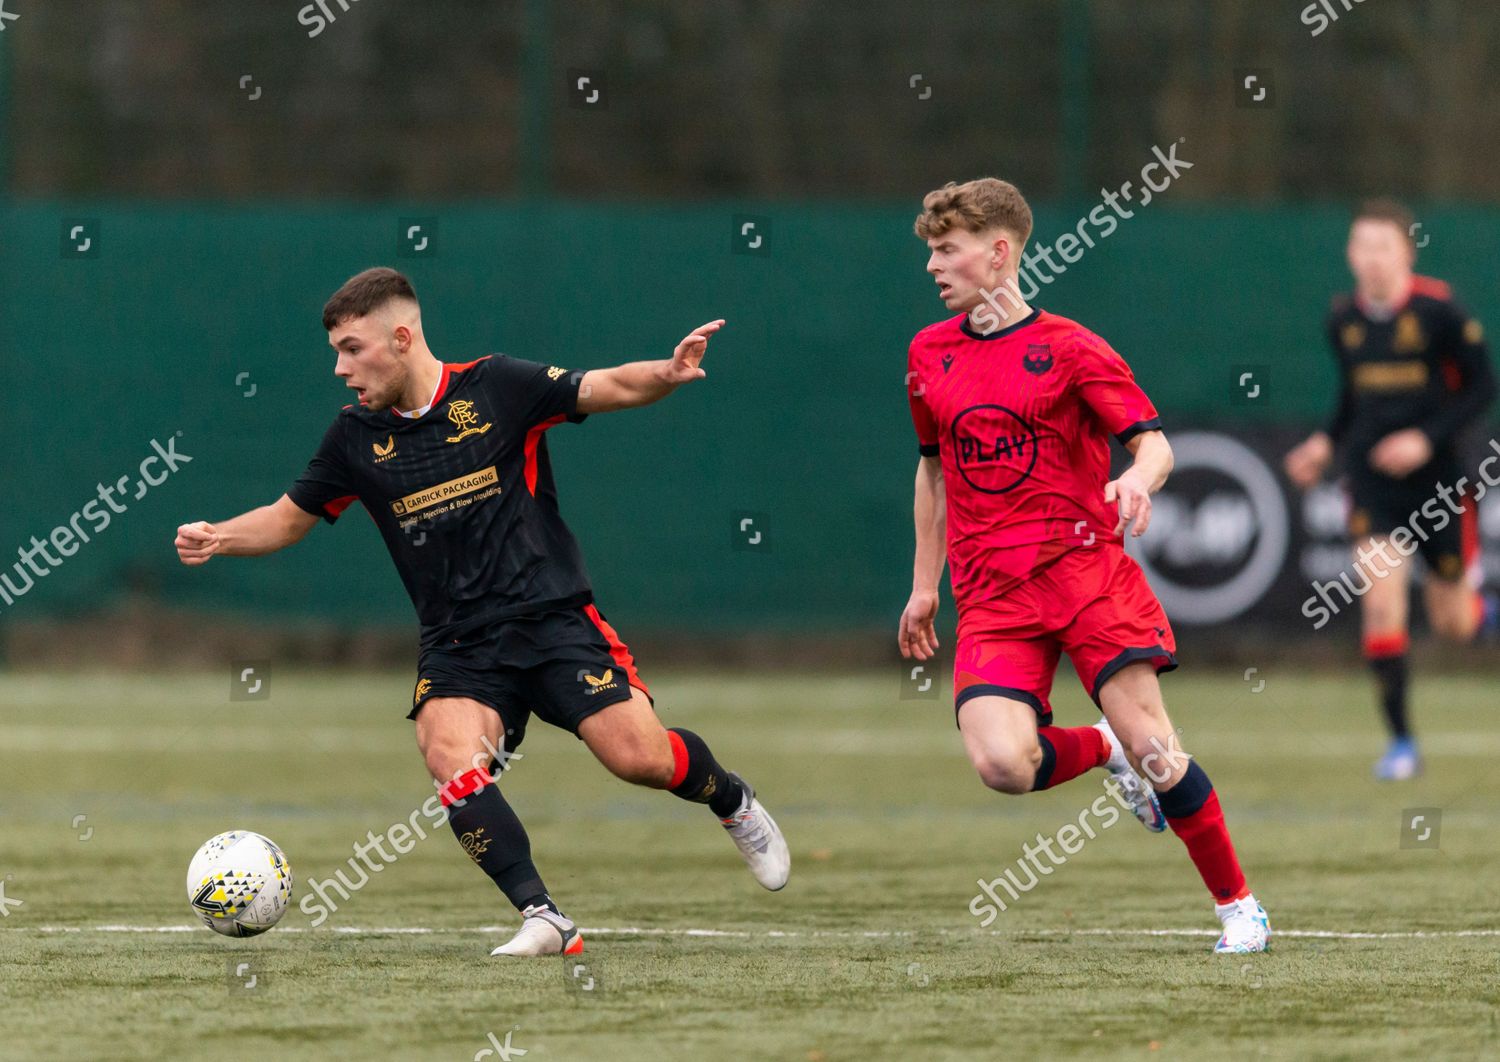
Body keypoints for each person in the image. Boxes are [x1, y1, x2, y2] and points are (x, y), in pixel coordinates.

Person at [175, 267, 789, 956]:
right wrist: (219, 536)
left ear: (401, 337)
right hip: (459, 645)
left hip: (553, 621)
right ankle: (544, 917)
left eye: (352, 349)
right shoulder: (353, 438)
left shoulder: (497, 386)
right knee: (448, 755)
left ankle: (731, 799)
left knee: (638, 759)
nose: (340, 368)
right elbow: (290, 521)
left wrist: (666, 372)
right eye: (336, 352)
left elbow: (603, 385)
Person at [899, 178, 1268, 953]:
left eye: (947, 251)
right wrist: (923, 584)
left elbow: (1154, 443)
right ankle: (1099, 748)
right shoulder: (928, 354)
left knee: (1158, 750)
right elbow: (932, 471)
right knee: (1003, 763)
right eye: (931, 251)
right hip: (991, 592)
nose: (933, 266)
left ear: (998, 254)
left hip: (1085, 574)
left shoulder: (1071, 348)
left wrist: (1137, 478)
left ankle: (1239, 908)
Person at [1285, 198, 1496, 780]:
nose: (1372, 259)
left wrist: (1425, 440)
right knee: (1381, 603)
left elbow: (1482, 388)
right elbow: (1353, 400)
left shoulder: (1441, 312)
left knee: (1454, 623)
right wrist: (1324, 445)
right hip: (1372, 482)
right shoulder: (1344, 320)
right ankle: (1403, 744)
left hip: (1440, 484)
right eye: (1362, 247)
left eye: (1384, 246)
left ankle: (1485, 613)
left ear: (1407, 250)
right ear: (1351, 254)